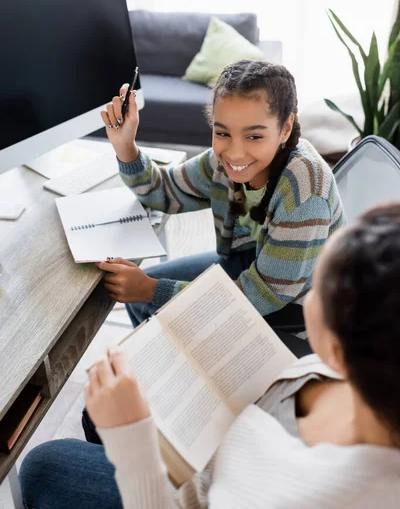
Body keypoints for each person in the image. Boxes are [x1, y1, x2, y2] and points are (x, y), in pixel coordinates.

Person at [20, 202, 400, 508]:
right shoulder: (366, 376)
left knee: (43, 466)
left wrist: (130, 437)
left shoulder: (295, 493)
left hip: (189, 492)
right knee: (94, 414)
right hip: (219, 449)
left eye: (318, 286)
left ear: (337, 351)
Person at [95, 60, 344, 327]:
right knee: (140, 300)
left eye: (254, 137)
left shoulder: (304, 192)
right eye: (222, 132)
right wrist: (125, 147)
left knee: (150, 300)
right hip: (250, 260)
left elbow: (265, 296)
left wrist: (151, 289)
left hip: (300, 308)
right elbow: (163, 192)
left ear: (284, 128)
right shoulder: (222, 163)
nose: (235, 153)